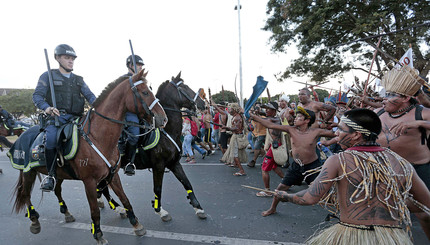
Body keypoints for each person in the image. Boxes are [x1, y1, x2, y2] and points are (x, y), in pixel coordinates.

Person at [274, 108, 430, 244]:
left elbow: (309, 198)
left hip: (351, 235)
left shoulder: (339, 160)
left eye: (341, 129)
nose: (336, 133)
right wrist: (393, 199)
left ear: (356, 135)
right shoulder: (401, 163)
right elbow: (426, 204)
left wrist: (285, 196)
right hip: (391, 237)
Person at [375, 66, 430, 239]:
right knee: (385, 212)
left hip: (419, 169)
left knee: (425, 214)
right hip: (387, 169)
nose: (385, 99)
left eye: (391, 95)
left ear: (406, 97)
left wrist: (418, 124)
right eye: (386, 94)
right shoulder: (378, 113)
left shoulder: (422, 113)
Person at [250, 106, 335, 216]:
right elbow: (270, 125)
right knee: (279, 190)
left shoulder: (316, 132)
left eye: (299, 117)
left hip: (313, 167)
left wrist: (328, 141)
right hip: (296, 166)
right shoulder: (291, 129)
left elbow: (336, 135)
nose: (295, 118)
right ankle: (272, 209)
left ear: (307, 120)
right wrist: (254, 117)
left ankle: (342, 212)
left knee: (323, 193)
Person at [33, 44, 96, 191]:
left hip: (78, 118)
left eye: (72, 58)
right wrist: (47, 108)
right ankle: (51, 175)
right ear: (57, 58)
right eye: (67, 58)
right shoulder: (47, 76)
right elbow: (37, 96)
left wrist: (99, 106)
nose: (70, 61)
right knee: (52, 140)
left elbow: (91, 96)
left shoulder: (79, 80)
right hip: (57, 117)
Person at [255, 102, 285, 197]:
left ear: (274, 111)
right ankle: (287, 181)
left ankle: (267, 191)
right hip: (274, 146)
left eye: (269, 109)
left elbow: (261, 119)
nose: (266, 110)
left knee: (264, 168)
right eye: (266, 108)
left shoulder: (274, 120)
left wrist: (251, 115)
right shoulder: (273, 119)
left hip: (275, 147)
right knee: (274, 167)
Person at [122, 54, 145, 176]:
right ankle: (129, 162)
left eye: (141, 65)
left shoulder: (142, 80)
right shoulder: (123, 80)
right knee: (135, 134)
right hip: (129, 113)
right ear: (130, 65)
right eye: (138, 64)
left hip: (143, 112)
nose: (140, 67)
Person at [221, 103, 248, 176]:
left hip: (237, 137)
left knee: (235, 154)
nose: (228, 110)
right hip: (236, 136)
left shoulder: (237, 118)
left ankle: (241, 170)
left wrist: (226, 128)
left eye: (230, 109)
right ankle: (237, 165)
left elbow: (236, 128)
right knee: (236, 153)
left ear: (234, 109)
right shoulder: (236, 116)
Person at [247, 103, 266, 168]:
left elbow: (257, 119)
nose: (256, 111)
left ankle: (253, 161)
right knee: (259, 149)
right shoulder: (252, 117)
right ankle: (267, 159)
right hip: (255, 134)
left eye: (258, 109)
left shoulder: (263, 117)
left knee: (256, 147)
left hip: (262, 134)